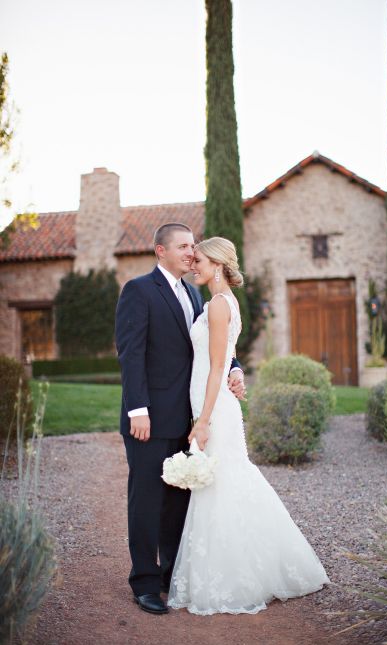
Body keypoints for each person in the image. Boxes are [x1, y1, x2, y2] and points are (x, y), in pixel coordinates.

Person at [168, 236, 330, 615]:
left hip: (215, 406)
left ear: (220, 264)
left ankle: (235, 576)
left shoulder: (220, 305)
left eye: (201, 260)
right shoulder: (219, 302)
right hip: (212, 399)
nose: (194, 264)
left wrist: (203, 420)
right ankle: (242, 567)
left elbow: (215, 368)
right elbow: (228, 359)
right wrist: (232, 375)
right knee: (223, 480)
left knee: (223, 480)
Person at [115, 223, 245, 615]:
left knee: (179, 502)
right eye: (184, 246)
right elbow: (130, 352)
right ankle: (144, 582)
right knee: (146, 500)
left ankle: (172, 574)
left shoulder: (195, 294)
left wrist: (234, 369)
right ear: (161, 251)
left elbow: (211, 349)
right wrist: (138, 408)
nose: (192, 252)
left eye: (193, 246)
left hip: (189, 419)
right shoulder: (138, 290)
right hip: (150, 418)